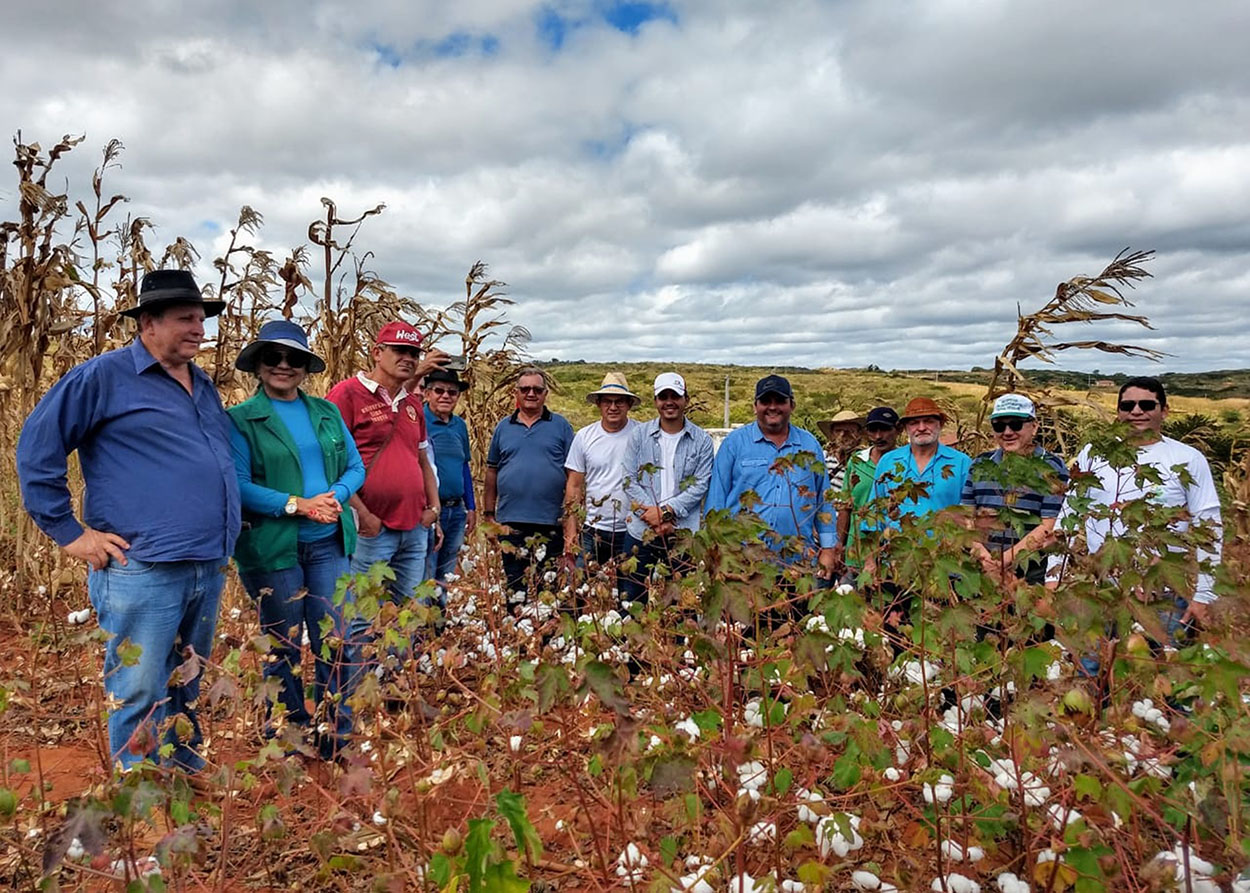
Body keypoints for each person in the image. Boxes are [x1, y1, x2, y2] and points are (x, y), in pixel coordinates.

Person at [16, 269, 240, 772]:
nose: (199, 329)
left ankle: (179, 766)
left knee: (186, 675)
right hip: (144, 565)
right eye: (185, 319)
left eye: (201, 320)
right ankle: (138, 796)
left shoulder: (201, 383)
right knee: (138, 685)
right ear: (148, 322)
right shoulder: (104, 377)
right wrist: (71, 533)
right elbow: (36, 451)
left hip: (206, 560)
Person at [228, 320, 365, 761]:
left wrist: (334, 498)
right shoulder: (241, 420)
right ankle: (288, 735)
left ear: (305, 366)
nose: (283, 366)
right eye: (273, 357)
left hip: (328, 543)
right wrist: (299, 505)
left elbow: (355, 467)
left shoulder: (325, 412)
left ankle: (336, 734)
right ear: (259, 365)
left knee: (336, 639)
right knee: (282, 643)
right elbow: (238, 484)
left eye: (294, 359)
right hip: (274, 549)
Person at [1052, 376, 1222, 631]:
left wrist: (1204, 595)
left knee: (1159, 665)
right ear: (1118, 411)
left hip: (1162, 593)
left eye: (1147, 405)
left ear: (1164, 411)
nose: (1136, 411)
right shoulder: (1094, 453)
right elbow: (1069, 514)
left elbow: (1209, 526)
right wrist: (1052, 577)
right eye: (1127, 406)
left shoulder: (1188, 459)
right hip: (1100, 591)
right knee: (1089, 666)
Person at [326, 322, 441, 612]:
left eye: (414, 353)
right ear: (377, 352)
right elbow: (331, 464)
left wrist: (434, 509)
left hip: (415, 527)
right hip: (372, 529)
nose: (409, 358)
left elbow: (423, 460)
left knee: (410, 611)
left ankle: (399, 660)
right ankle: (363, 660)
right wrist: (364, 515)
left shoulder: (413, 404)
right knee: (363, 613)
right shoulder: (346, 395)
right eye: (400, 350)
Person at [706, 374, 837, 584]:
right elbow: (716, 500)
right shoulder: (734, 443)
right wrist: (717, 553)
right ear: (754, 406)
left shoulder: (809, 444)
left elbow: (824, 500)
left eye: (780, 401)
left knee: (798, 617)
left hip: (798, 563)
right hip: (743, 563)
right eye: (766, 401)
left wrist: (828, 549)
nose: (772, 407)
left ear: (792, 405)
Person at [620, 372, 715, 604]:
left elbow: (701, 484)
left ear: (686, 399)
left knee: (684, 604)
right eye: (663, 396)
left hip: (682, 534)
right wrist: (652, 516)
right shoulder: (639, 435)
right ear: (656, 401)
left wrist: (665, 513)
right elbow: (629, 479)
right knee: (631, 602)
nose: (669, 402)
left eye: (675, 396)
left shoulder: (702, 440)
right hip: (640, 532)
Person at [483, 368, 575, 601]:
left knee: (548, 587)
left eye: (537, 389)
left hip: (551, 521)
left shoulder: (561, 426)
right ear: (517, 393)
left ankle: (544, 636)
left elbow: (573, 474)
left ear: (545, 394)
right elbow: (492, 471)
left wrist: (570, 519)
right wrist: (488, 514)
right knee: (515, 587)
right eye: (525, 389)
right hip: (511, 522)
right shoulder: (503, 427)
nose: (531, 393)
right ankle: (515, 632)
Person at [961, 394, 1067, 586]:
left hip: (1029, 573)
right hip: (981, 569)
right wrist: (984, 557)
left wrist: (1004, 560)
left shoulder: (1052, 466)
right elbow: (966, 516)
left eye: (1016, 424)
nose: (1007, 432)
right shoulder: (980, 463)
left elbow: (1048, 525)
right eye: (999, 426)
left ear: (1034, 427)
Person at [563, 373, 641, 573]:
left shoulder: (641, 435)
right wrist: (571, 530)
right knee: (576, 591)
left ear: (629, 404)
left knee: (630, 593)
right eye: (607, 401)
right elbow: (574, 485)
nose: (613, 407)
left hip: (632, 529)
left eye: (619, 402)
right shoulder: (584, 437)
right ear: (598, 403)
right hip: (593, 530)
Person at [423, 367, 476, 596]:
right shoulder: (419, 421)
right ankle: (424, 625)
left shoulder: (459, 426)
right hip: (431, 510)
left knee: (446, 570)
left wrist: (471, 506)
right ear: (427, 393)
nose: (446, 396)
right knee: (427, 569)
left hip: (457, 510)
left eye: (452, 393)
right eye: (439, 390)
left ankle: (440, 619)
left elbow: (464, 465)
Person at [835, 406, 899, 578]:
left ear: (898, 430)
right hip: (855, 550)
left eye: (885, 429)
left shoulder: (906, 463)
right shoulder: (857, 461)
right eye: (873, 430)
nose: (879, 436)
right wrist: (839, 544)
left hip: (893, 554)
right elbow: (845, 507)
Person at [817, 410, 864, 491]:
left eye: (850, 431)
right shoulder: (822, 458)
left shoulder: (866, 461)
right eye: (838, 431)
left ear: (859, 434)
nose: (844, 435)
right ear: (832, 435)